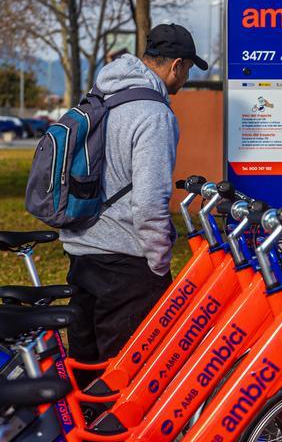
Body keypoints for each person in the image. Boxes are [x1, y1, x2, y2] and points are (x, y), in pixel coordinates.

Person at [60, 23, 208, 366]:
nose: (184, 79)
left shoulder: (102, 96)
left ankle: (84, 420)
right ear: (176, 66)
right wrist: (158, 263)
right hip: (126, 262)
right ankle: (115, 421)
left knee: (87, 361)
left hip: (82, 250)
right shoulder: (154, 114)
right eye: (186, 70)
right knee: (129, 371)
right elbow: (150, 201)